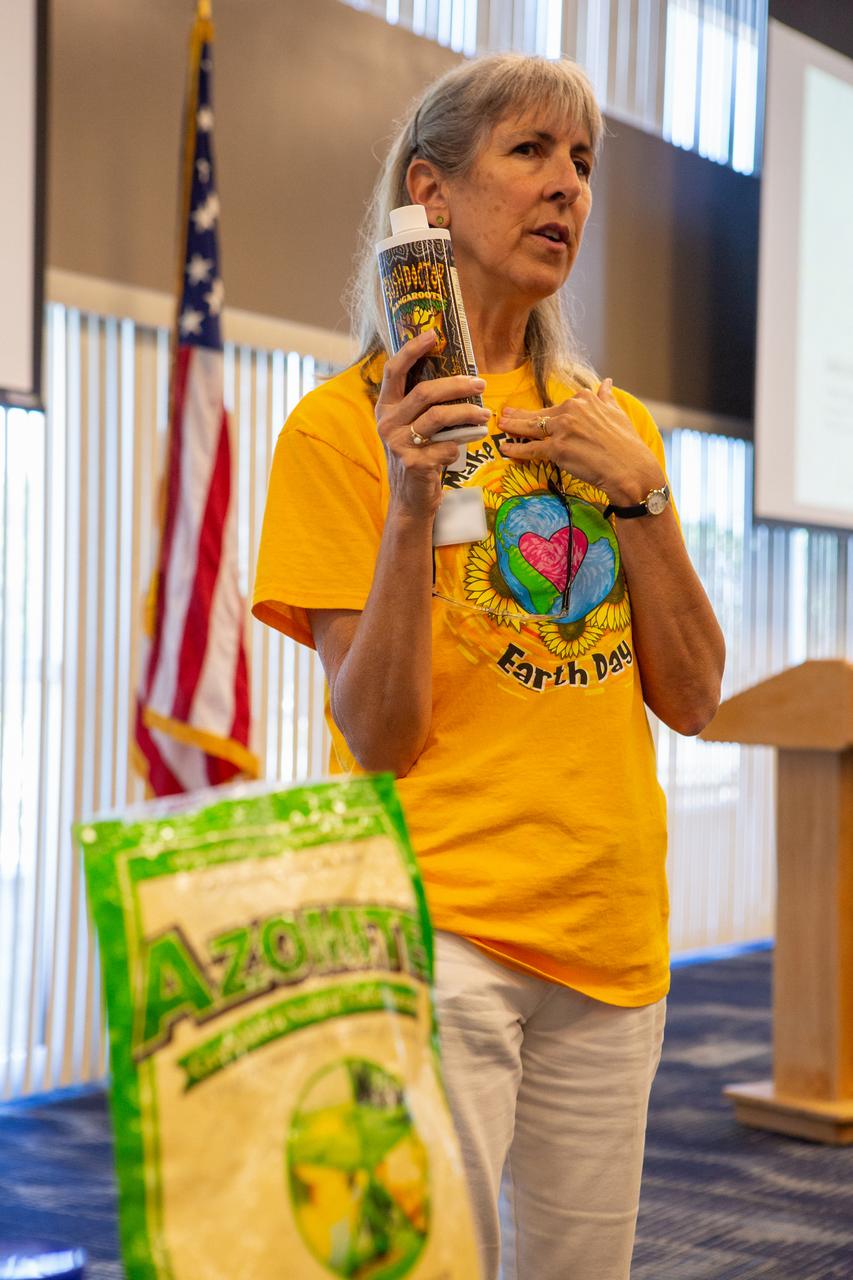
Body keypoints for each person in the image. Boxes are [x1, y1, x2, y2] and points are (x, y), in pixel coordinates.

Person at [253, 53, 725, 1280]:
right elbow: (379, 734)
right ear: (435, 191)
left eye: (583, 163)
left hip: (610, 929)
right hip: (443, 931)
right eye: (530, 153)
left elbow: (695, 695)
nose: (568, 185)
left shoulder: (613, 423)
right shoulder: (335, 429)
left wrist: (645, 495)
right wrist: (414, 504)